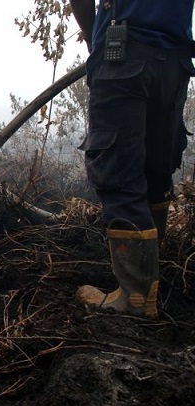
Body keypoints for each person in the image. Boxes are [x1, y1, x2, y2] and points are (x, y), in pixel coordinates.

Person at [69, 0, 195, 318]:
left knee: (119, 171)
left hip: (123, 54)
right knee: (156, 167)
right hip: (175, 62)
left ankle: (135, 295)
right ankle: (156, 268)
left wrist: (92, 38)